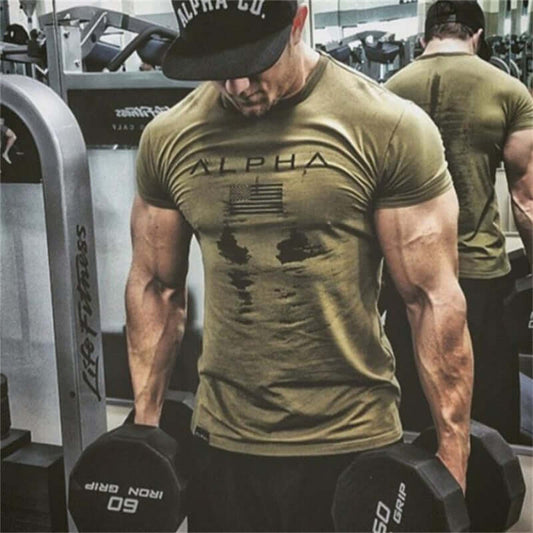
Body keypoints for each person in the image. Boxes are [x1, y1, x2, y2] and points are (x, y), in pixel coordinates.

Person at [125, 1, 473, 531]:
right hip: (222, 442)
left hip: (351, 443)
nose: (237, 86)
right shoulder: (169, 136)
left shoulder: (388, 126)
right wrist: (146, 431)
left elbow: (431, 300)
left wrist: (453, 457)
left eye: (252, 62)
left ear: (298, 21)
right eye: (219, 67)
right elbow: (156, 287)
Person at [385, 0, 533, 443]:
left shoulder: (386, 91)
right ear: (478, 36)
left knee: (415, 412)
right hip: (478, 274)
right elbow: (526, 201)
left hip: (406, 274)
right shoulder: (509, 90)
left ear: (424, 37)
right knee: (487, 415)